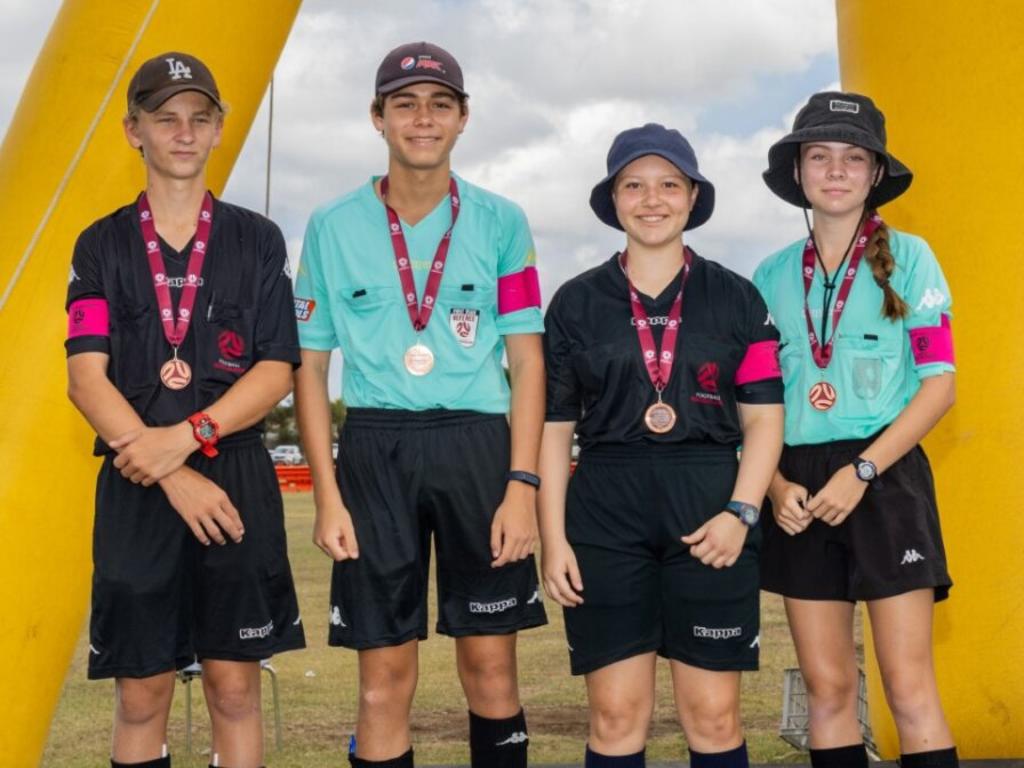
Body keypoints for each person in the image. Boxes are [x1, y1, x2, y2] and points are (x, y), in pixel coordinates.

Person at [292, 41, 547, 768]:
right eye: (405, 104)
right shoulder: (332, 225)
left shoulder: (502, 221)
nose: (423, 118)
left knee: (492, 672)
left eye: (440, 104)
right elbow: (310, 369)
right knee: (382, 683)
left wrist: (521, 486)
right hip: (375, 450)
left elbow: (527, 363)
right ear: (378, 118)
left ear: (463, 118)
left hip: (477, 447)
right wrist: (327, 496)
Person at [65, 52, 305, 768]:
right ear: (132, 130)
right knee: (142, 694)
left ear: (220, 129)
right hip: (138, 478)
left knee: (235, 689)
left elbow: (276, 368)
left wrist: (193, 436)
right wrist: (170, 467)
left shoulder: (256, 239)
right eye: (165, 118)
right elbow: (85, 378)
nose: (183, 132)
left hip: (233, 473)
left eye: (199, 118)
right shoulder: (101, 243)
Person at [538, 123, 784, 768]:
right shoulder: (574, 302)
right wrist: (555, 538)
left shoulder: (738, 297)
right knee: (617, 718)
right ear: (613, 199)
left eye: (669, 184)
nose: (653, 199)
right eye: (635, 185)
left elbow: (763, 422)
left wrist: (742, 512)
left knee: (714, 716)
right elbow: (555, 427)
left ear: (693, 196)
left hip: (709, 508)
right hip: (604, 514)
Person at [753, 91, 958, 768]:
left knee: (908, 686)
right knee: (828, 688)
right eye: (820, 156)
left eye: (853, 158)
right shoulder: (769, 276)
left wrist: (864, 470)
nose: (835, 171)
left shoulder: (913, 257)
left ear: (875, 174)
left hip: (885, 478)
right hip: (799, 491)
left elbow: (940, 388)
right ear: (799, 172)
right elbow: (753, 405)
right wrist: (777, 484)